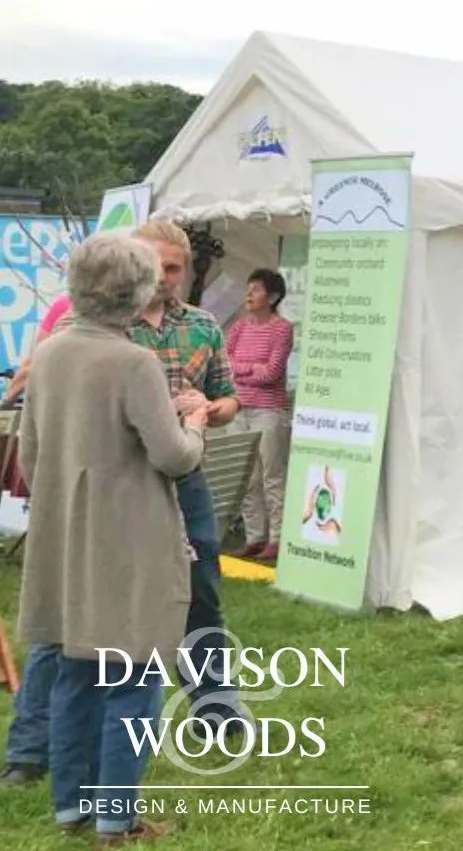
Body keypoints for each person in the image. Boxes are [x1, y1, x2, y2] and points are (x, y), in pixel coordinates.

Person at [15, 234, 207, 843]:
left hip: (65, 533)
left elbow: (28, 452)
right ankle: (116, 816)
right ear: (138, 292)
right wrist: (195, 423)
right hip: (128, 536)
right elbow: (173, 457)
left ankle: (72, 806)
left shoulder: (49, 354)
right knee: (132, 678)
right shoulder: (134, 362)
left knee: (74, 673)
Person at [125, 219, 242, 729]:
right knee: (124, 589)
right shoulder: (107, 324)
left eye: (175, 266)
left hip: (187, 478)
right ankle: (122, 705)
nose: (165, 275)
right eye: (156, 264)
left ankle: (214, 706)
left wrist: (213, 409)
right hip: (126, 477)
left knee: (201, 588)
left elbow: (230, 398)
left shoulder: (203, 325)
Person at [0, 293, 75, 786]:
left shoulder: (192, 328)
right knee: (56, 626)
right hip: (71, 490)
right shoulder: (69, 315)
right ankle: (29, 753)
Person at [228, 268, 294, 562]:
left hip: (268, 411)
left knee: (272, 475)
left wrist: (243, 370)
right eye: (248, 288)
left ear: (273, 296)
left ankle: (277, 538)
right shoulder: (239, 327)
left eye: (255, 289)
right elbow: (225, 363)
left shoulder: (282, 328)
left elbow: (272, 373)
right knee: (246, 477)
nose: (249, 294)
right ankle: (255, 537)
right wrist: (250, 367)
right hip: (239, 408)